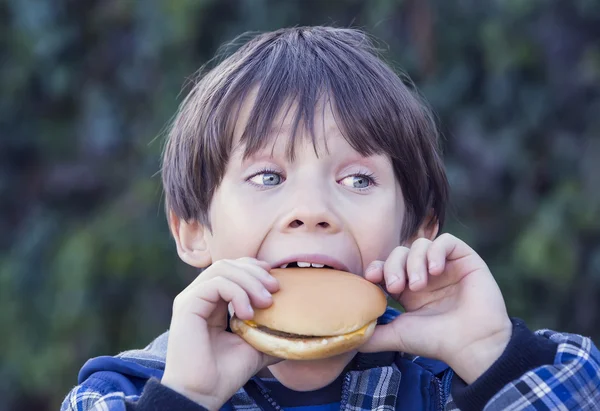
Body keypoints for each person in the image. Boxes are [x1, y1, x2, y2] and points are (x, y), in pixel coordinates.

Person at [61, 26, 600, 411]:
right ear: (193, 230)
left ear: (417, 231)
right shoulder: (118, 397)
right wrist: (184, 401)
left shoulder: (462, 384)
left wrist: (493, 358)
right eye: (268, 177)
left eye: (358, 180)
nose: (313, 212)